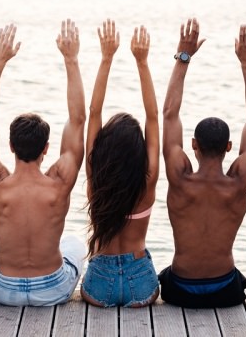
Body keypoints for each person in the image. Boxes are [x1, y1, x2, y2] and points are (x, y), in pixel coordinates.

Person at [0, 20, 87, 306]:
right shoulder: (60, 182)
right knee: (73, 244)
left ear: (10, 146)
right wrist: (71, 60)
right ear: (46, 149)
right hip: (52, 289)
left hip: (4, 290)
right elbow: (78, 120)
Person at [159, 19, 246, 308]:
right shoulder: (240, 180)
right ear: (229, 148)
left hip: (180, 288)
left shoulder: (179, 177)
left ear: (193, 145)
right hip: (224, 289)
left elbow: (169, 115)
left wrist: (183, 57)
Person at [80, 20, 160, 308]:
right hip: (141, 286)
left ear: (104, 150)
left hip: (100, 286)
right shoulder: (148, 178)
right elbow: (153, 116)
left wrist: (106, 58)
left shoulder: (95, 175)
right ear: (138, 152)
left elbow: (94, 112)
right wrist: (142, 63)